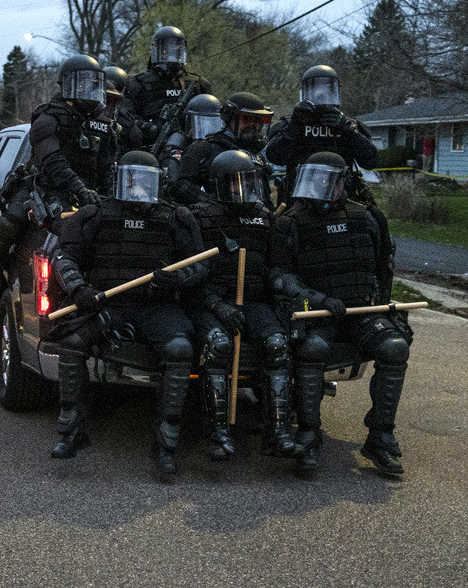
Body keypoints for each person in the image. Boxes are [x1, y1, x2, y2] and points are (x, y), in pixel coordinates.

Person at [49, 151, 207, 478]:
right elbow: (63, 257)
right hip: (109, 306)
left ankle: (166, 442)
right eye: (132, 179)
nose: (138, 188)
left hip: (157, 307)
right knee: (73, 342)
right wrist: (79, 289)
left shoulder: (175, 218)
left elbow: (201, 264)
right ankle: (71, 430)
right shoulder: (94, 215)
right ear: (119, 179)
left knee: (180, 350)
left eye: (146, 181)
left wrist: (178, 278)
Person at [269, 151, 410, 476]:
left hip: (360, 313)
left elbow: (382, 270)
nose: (320, 186)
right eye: (314, 178)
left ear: (342, 183)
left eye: (327, 180)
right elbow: (279, 276)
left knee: (394, 348)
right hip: (318, 314)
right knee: (312, 350)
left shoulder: (367, 218)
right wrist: (315, 298)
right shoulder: (290, 223)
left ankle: (380, 437)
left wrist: (381, 305)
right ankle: (308, 434)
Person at [0, 53, 124, 294]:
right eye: (81, 83)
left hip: (92, 190)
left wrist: (111, 195)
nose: (88, 89)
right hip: (48, 185)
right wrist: (80, 189)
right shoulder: (48, 118)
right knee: (11, 221)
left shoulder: (105, 124)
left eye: (93, 83)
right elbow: (53, 162)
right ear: (66, 85)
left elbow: (109, 165)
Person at [189, 150, 295, 460]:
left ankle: (277, 433)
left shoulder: (265, 217)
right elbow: (189, 276)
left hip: (253, 301)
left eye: (247, 182)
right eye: (234, 184)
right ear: (218, 185)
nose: (242, 189)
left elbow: (276, 266)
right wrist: (216, 306)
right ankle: (218, 434)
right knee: (219, 346)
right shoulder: (200, 218)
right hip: (212, 303)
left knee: (277, 345)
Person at [265, 65, 379, 203]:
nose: (321, 98)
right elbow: (274, 157)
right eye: (314, 92)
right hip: (299, 200)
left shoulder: (349, 126)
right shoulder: (291, 123)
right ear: (304, 94)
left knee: (374, 215)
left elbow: (371, 162)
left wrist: (349, 132)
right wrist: (294, 127)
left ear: (337, 93)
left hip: (342, 199)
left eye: (328, 92)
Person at [170, 92, 274, 207]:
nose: (254, 126)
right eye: (247, 119)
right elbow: (181, 186)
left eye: (259, 121)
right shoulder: (203, 148)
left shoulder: (258, 158)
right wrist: (212, 203)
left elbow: (265, 199)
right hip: (210, 215)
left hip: (251, 216)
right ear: (229, 118)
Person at [124, 26, 212, 148]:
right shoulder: (138, 84)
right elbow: (125, 117)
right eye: (165, 51)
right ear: (156, 52)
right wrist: (147, 127)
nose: (171, 56)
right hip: (151, 145)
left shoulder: (198, 84)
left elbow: (211, 115)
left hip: (190, 146)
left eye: (176, 51)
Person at [157, 94, 222, 201]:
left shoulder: (214, 146)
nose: (205, 129)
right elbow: (174, 184)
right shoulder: (178, 143)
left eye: (211, 124)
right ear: (189, 124)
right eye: (199, 124)